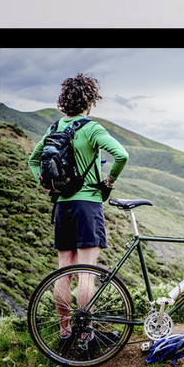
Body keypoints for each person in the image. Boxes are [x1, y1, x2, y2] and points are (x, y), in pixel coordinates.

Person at [28, 73, 129, 343]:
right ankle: (85, 333)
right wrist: (110, 180)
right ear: (90, 101)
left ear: (64, 101)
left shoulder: (54, 129)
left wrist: (46, 184)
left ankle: (64, 332)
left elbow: (33, 159)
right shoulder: (92, 129)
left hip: (62, 206)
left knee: (64, 270)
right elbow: (121, 155)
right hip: (88, 205)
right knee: (87, 270)